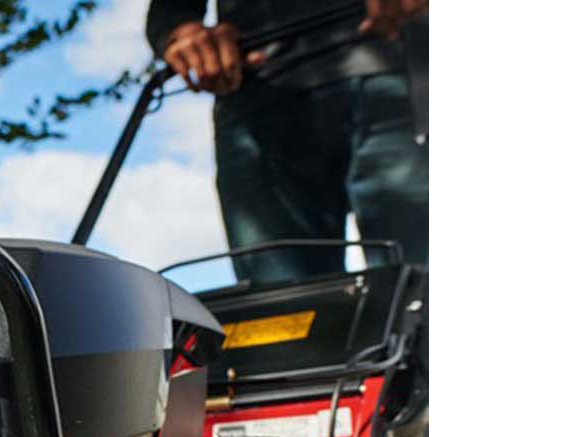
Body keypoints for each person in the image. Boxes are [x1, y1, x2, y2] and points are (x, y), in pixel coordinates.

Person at [146, 0, 428, 283]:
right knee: (279, 308)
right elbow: (170, 12)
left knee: (423, 288)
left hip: (400, 68)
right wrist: (180, 31)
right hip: (256, 96)